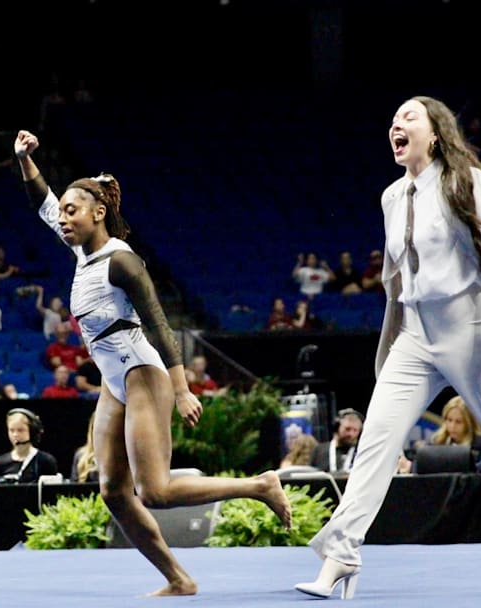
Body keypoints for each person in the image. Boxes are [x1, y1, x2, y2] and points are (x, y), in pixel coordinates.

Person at [296, 96, 481, 599]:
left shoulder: (466, 181)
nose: (397, 124)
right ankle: (340, 559)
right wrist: (390, 341)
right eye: (393, 119)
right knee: (374, 444)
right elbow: (396, 280)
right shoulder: (392, 196)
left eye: (409, 117)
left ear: (435, 133)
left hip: (473, 331)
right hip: (415, 335)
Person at [15, 129, 290, 596]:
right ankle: (178, 580)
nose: (61, 218)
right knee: (113, 492)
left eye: (71, 210)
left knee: (156, 492)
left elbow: (160, 323)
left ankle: (261, 486)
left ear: (98, 213)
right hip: (113, 379)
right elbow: (41, 198)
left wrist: (182, 388)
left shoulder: (121, 261)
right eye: (61, 212)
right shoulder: (80, 251)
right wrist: (25, 158)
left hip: (144, 372)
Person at [0, 408, 59, 483]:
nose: (15, 435)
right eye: (11, 430)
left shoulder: (46, 461)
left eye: (20, 430)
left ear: (32, 431)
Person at [310, 408, 363, 473]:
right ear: (337, 428)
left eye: (355, 430)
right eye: (347, 429)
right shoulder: (319, 451)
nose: (351, 434)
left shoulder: (361, 452)